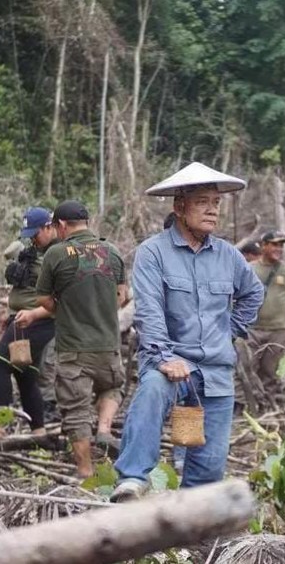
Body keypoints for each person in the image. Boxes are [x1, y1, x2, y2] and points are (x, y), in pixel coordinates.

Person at [111, 162, 264, 502]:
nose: (212, 210)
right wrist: (164, 357)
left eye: (216, 203)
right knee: (152, 390)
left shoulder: (228, 256)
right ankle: (132, 479)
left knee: (208, 471)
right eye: (202, 202)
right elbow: (149, 309)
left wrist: (229, 330)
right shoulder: (153, 252)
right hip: (169, 360)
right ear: (179, 207)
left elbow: (254, 293)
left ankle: (191, 518)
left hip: (216, 370)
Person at [36, 200, 127, 477]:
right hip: (108, 345)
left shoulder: (56, 254)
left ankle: (85, 471)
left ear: (62, 225)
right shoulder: (112, 251)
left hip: (73, 348)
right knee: (113, 386)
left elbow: (43, 299)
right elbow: (122, 296)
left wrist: (65, 309)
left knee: (75, 411)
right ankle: (104, 429)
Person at [0, 207, 60, 435]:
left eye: (35, 234)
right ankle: (38, 431)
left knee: (0, 364)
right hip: (22, 317)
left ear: (48, 227)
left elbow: (63, 296)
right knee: (25, 375)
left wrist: (34, 314)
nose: (33, 240)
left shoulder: (59, 253)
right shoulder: (35, 251)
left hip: (37, 319)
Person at [246, 230, 285, 399]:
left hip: (278, 330)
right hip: (251, 329)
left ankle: (268, 403)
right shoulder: (249, 269)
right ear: (263, 246)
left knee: (271, 371)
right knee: (247, 367)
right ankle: (249, 404)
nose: (278, 249)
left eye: (281, 246)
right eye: (274, 245)